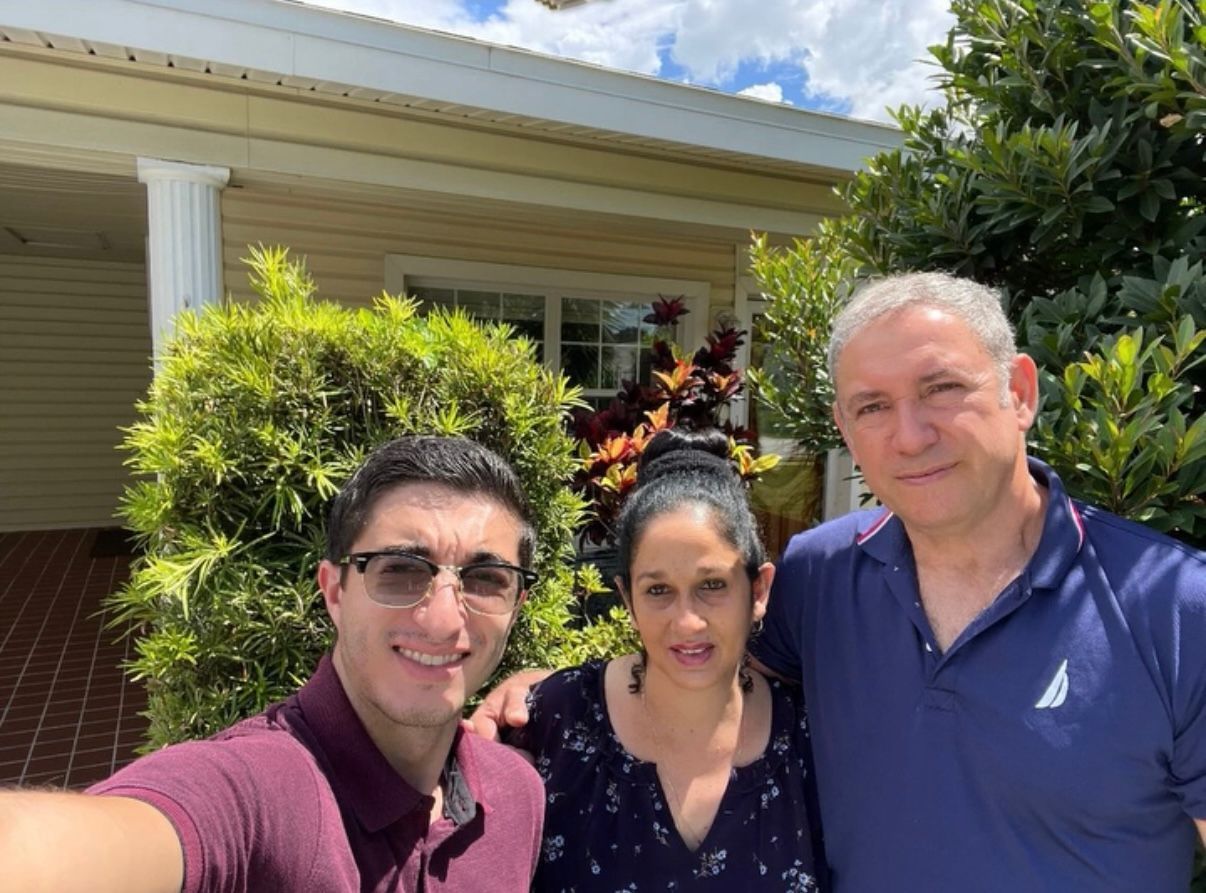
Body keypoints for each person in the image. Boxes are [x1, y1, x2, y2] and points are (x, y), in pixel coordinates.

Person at [751, 272, 1206, 891]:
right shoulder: (818, 577)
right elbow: (711, 712)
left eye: (941, 389)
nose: (911, 437)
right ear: (845, 428)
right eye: (872, 407)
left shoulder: (1176, 606)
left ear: (1019, 392)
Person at [0, 435, 545, 893]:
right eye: (400, 570)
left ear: (516, 606)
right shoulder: (260, 793)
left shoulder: (519, 794)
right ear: (334, 592)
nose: (444, 621)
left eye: (486, 579)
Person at [504, 428, 825, 891]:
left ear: (758, 590)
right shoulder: (557, 720)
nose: (687, 622)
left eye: (712, 585)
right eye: (658, 590)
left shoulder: (809, 739)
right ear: (627, 598)